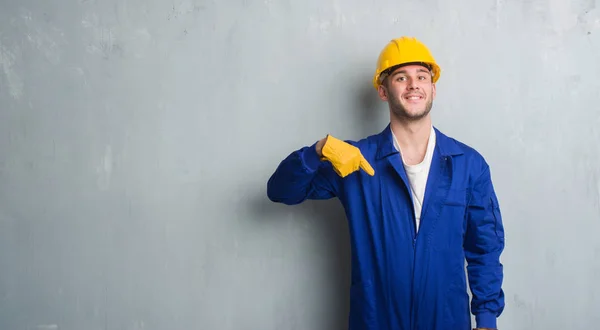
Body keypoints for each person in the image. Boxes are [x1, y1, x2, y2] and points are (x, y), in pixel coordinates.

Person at [266, 36, 505, 330]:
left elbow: (485, 248)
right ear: (382, 90)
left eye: (422, 76)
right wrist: (317, 151)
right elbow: (281, 191)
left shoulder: (468, 164)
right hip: (376, 320)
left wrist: (486, 319)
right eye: (401, 77)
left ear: (433, 89)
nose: (413, 85)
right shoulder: (354, 160)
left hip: (446, 320)